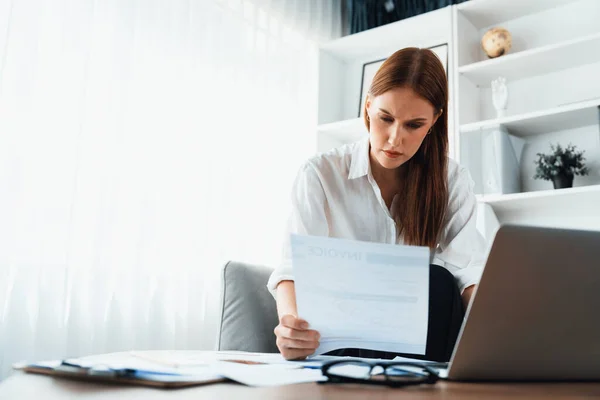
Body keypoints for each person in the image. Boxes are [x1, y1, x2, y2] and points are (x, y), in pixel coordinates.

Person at [267, 47, 487, 362]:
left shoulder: (451, 180)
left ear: (435, 121)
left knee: (438, 281)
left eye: (414, 125)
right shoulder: (320, 174)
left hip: (422, 349)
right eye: (386, 118)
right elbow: (293, 268)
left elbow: (467, 270)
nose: (395, 138)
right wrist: (290, 325)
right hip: (342, 343)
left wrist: (496, 327)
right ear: (368, 106)